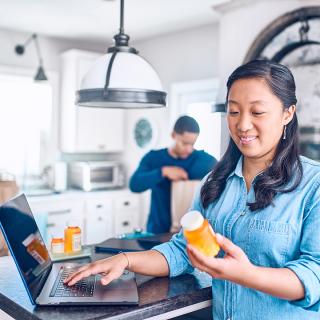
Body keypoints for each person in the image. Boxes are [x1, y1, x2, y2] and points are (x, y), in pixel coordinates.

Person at [65, 60, 320, 319]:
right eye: (233, 112)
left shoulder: (313, 185)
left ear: (287, 113)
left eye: (257, 112)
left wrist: (246, 275)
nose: (242, 125)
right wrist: (126, 260)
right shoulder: (214, 182)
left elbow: (315, 274)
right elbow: (181, 250)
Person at [129, 115, 217, 233]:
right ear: (173, 135)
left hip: (192, 233)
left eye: (192, 144)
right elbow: (134, 185)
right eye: (185, 143)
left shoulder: (206, 161)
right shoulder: (153, 158)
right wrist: (163, 172)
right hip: (158, 232)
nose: (189, 149)